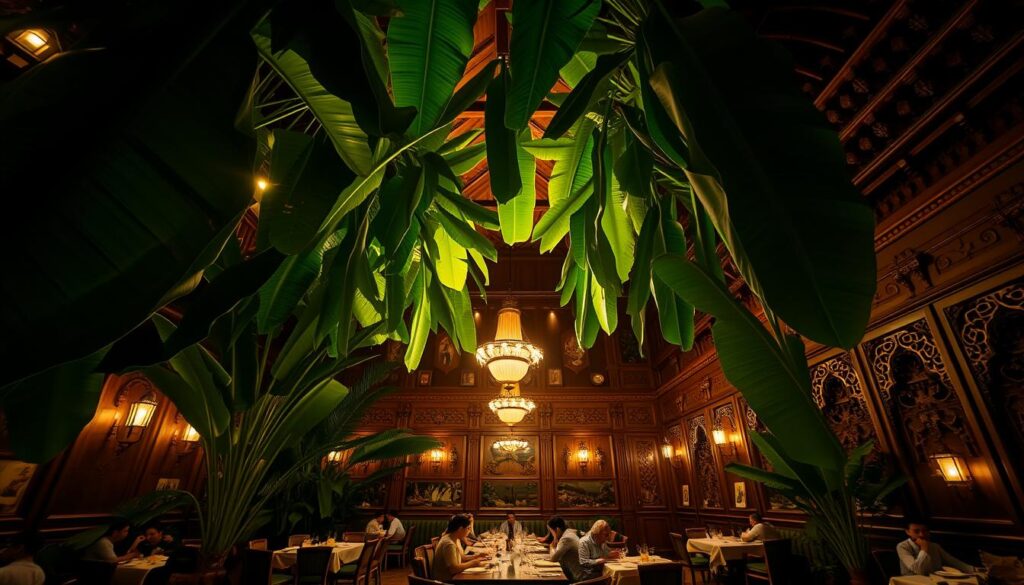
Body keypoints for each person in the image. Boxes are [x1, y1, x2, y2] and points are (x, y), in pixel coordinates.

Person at [897, 517, 974, 576]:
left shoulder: (934, 546)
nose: (921, 535)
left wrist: (974, 570)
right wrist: (924, 549)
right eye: (916, 531)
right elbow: (918, 570)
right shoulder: (902, 546)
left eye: (924, 531)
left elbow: (953, 562)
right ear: (907, 531)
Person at [433, 515, 490, 581]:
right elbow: (453, 569)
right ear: (460, 529)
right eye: (468, 528)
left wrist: (477, 556)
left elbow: (462, 557)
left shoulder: (455, 539)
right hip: (447, 581)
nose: (469, 531)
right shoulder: (449, 544)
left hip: (454, 578)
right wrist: (473, 563)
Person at [545, 516, 582, 582]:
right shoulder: (569, 533)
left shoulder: (566, 538)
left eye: (551, 532)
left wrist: (552, 545)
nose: (551, 534)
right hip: (571, 573)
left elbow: (553, 558)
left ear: (557, 529)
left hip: (577, 577)